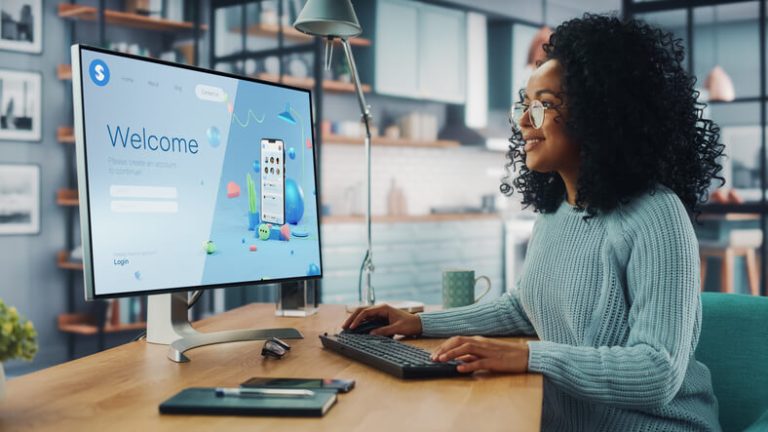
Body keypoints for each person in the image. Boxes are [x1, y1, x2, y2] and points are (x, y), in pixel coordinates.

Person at [342, 14, 724, 432]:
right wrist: (418, 323)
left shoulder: (656, 215)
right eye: (525, 105)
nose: (524, 120)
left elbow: (658, 371)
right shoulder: (556, 211)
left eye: (544, 104)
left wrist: (527, 356)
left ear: (599, 113)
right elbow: (523, 307)